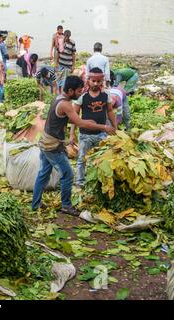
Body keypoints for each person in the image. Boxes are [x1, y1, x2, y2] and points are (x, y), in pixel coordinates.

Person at [32, 76, 116, 215]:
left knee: (44, 174)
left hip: (46, 141)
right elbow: (81, 123)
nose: (81, 93)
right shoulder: (65, 104)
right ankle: (66, 205)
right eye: (78, 91)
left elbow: (75, 120)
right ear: (70, 90)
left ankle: (36, 204)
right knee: (68, 175)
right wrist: (104, 127)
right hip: (52, 146)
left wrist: (84, 122)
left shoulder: (58, 98)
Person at [70, 68, 117, 187]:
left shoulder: (106, 96)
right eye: (93, 81)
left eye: (98, 81)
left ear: (102, 81)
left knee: (102, 158)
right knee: (82, 159)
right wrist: (72, 133)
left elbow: (110, 111)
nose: (96, 84)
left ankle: (98, 182)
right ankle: (80, 182)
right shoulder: (83, 97)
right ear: (88, 81)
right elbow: (74, 116)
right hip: (85, 135)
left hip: (101, 134)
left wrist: (115, 127)